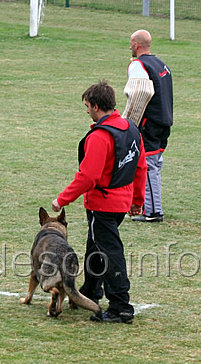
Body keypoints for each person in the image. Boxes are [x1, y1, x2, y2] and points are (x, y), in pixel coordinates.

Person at [52, 80, 147, 324]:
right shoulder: (131, 129)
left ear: (96, 106)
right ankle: (90, 292)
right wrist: (137, 200)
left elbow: (89, 176)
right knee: (95, 246)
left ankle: (120, 306)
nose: (86, 111)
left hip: (103, 204)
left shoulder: (101, 136)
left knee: (109, 251)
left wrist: (62, 199)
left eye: (87, 106)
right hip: (121, 201)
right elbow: (140, 167)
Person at [122, 29, 173, 223]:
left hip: (149, 123)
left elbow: (139, 94)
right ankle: (151, 207)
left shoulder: (138, 65)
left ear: (136, 45)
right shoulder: (162, 64)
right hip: (165, 120)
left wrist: (129, 123)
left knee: (148, 165)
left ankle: (152, 212)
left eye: (131, 43)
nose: (130, 47)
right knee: (155, 164)